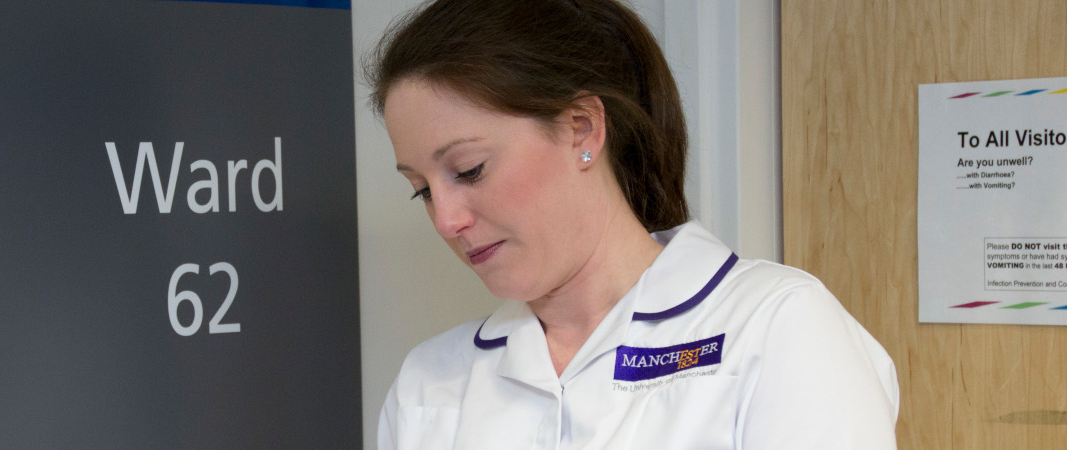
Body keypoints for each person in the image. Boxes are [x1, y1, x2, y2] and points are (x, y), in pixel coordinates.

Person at [367, 0, 899, 448]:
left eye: (468, 170)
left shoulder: (775, 328)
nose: (446, 220)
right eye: (422, 189)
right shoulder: (429, 384)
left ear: (582, 129)